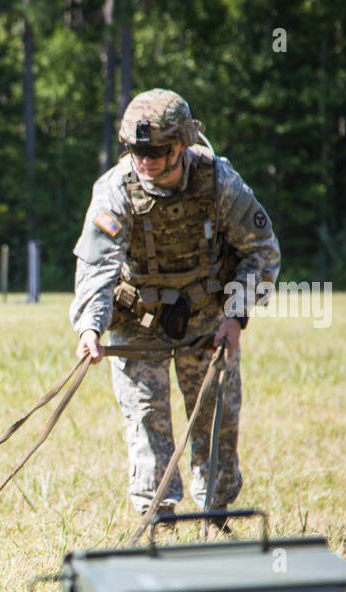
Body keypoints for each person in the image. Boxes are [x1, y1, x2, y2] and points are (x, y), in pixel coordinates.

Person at [69, 89, 280, 524]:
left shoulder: (220, 183)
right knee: (146, 419)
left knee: (215, 421)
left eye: (157, 150)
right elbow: (97, 268)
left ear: (182, 144)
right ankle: (157, 520)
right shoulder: (115, 190)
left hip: (207, 322)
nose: (145, 160)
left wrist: (236, 316)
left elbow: (261, 251)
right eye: (136, 150)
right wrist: (90, 328)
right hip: (137, 324)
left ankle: (215, 515)